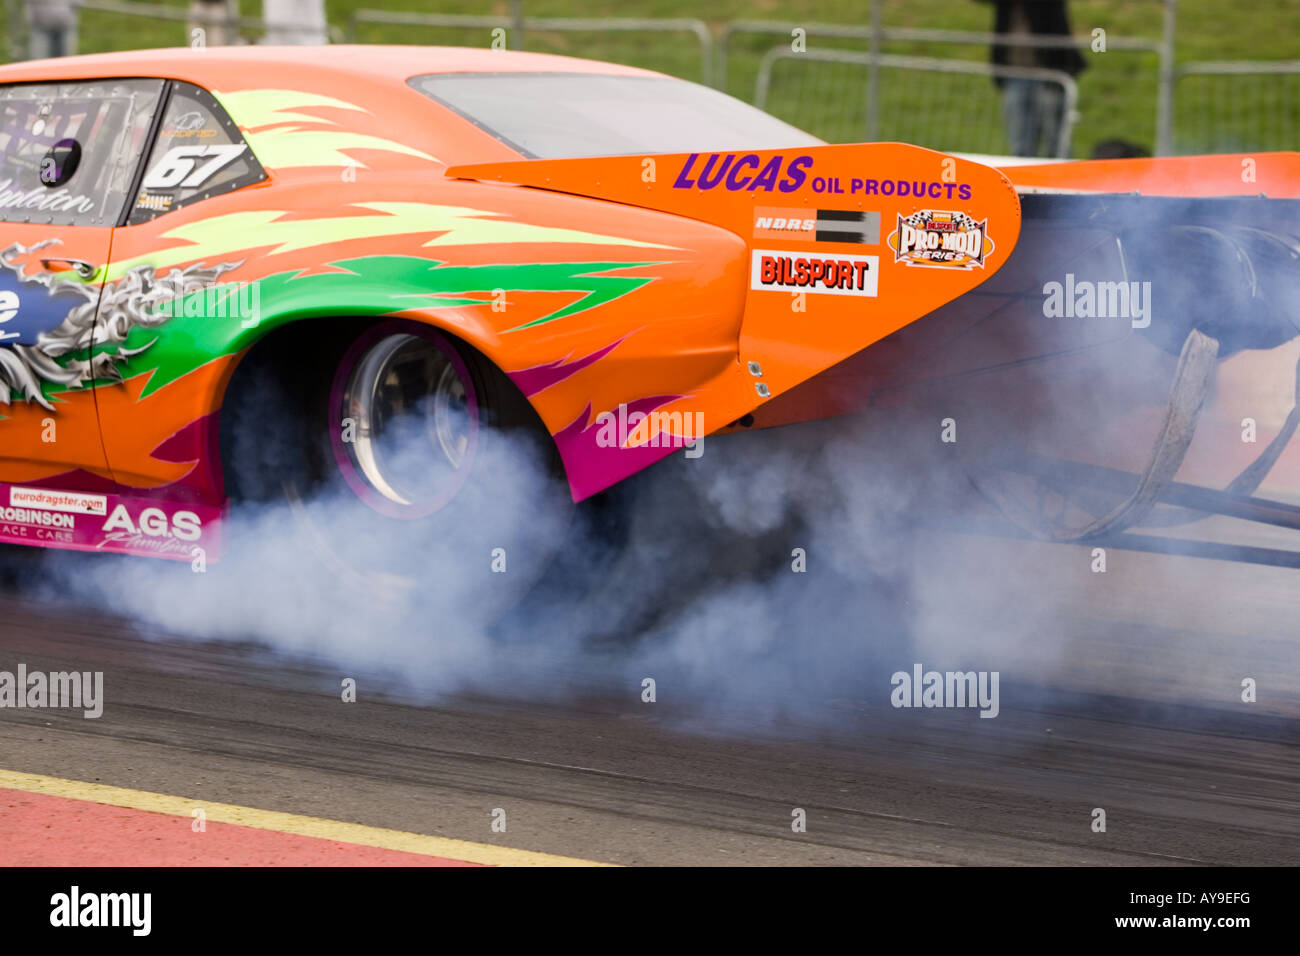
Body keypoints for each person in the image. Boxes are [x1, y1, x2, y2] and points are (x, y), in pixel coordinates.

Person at [979, 1, 1087, 158]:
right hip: (1014, 73)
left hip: (1050, 74)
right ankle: (1022, 180)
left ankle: (1059, 179)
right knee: (1020, 141)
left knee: (1056, 141)